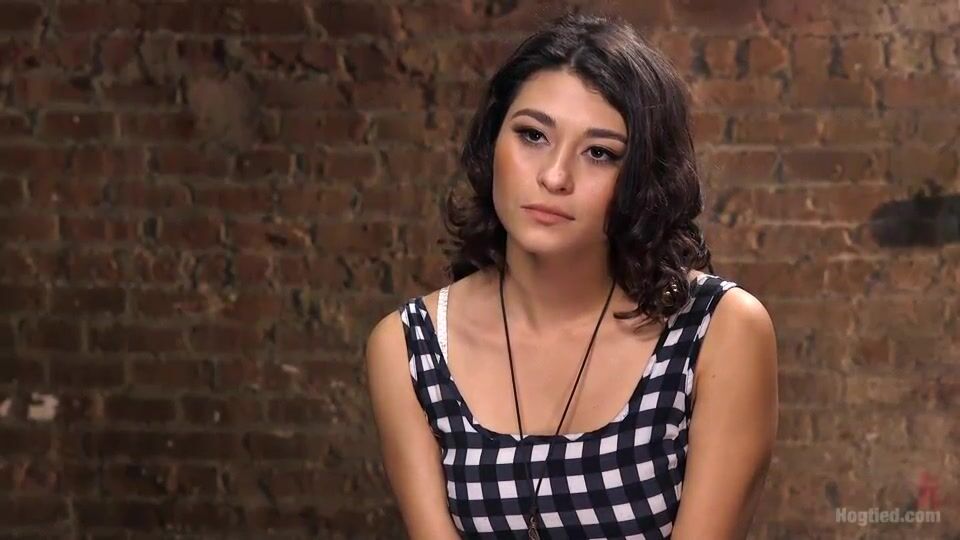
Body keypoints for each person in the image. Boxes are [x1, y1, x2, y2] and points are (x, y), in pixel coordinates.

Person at [365, 11, 778, 539]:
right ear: (492, 142)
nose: (555, 176)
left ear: (643, 178)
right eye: (533, 135)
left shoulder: (719, 330)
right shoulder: (408, 348)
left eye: (599, 153)